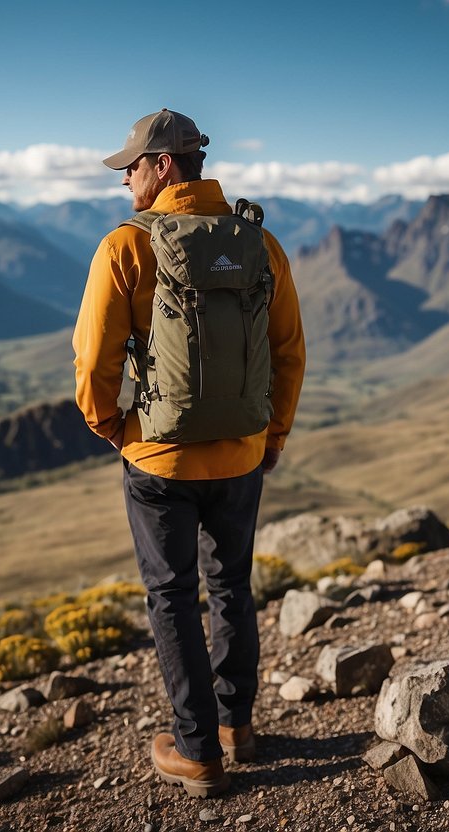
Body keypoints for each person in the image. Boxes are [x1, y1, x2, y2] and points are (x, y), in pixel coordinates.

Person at [72, 109, 305, 797]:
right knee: (231, 584)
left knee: (171, 596)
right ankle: (237, 727)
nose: (126, 182)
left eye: (132, 168)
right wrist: (273, 437)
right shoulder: (260, 243)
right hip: (241, 454)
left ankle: (197, 753)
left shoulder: (125, 246)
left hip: (159, 462)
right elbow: (288, 351)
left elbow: (93, 360)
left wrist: (112, 428)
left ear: (164, 165)